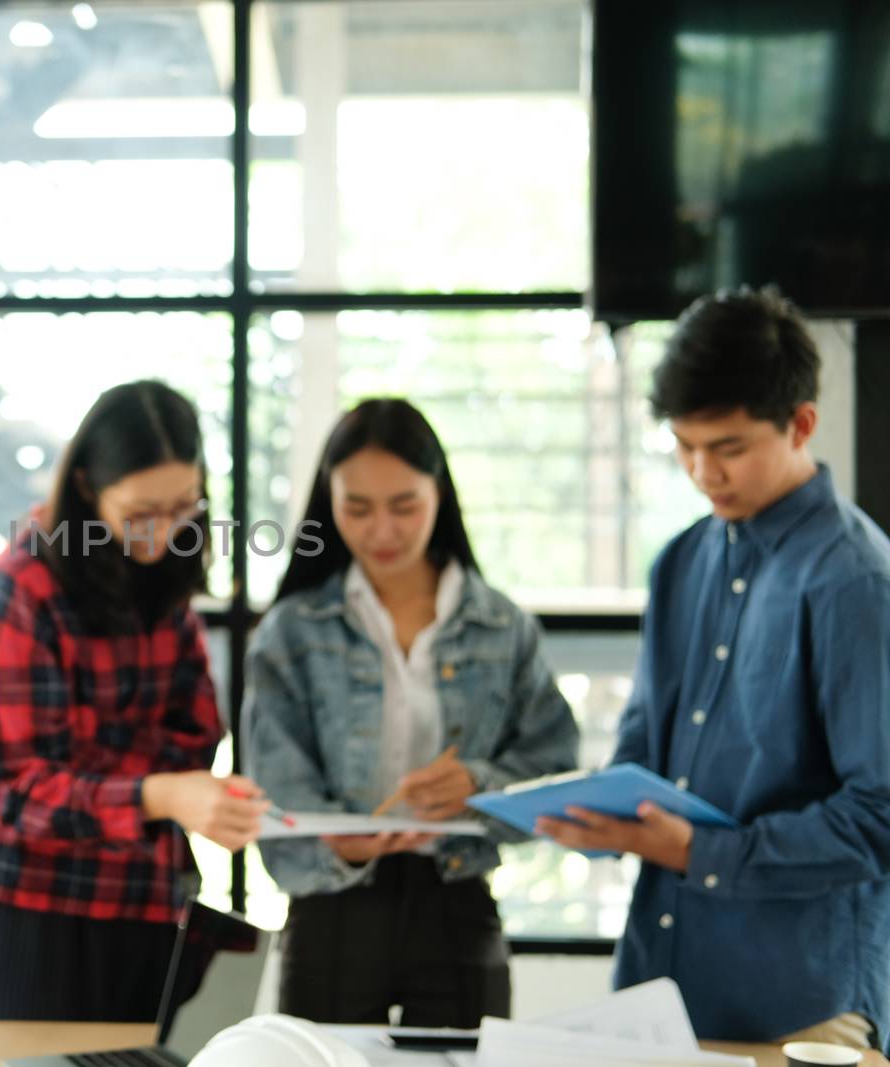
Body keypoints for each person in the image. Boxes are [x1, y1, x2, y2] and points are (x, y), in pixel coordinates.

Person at [537, 287, 890, 1052]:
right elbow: (644, 748)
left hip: (802, 1009)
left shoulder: (855, 580)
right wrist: (599, 817)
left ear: (801, 424)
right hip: (660, 998)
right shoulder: (681, 563)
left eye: (727, 448)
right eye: (684, 445)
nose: (702, 471)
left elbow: (881, 814)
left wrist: (700, 852)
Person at [244, 398, 578, 1027]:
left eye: (405, 505)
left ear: (439, 495)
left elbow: (554, 768)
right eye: (357, 508)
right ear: (327, 502)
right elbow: (272, 786)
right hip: (331, 906)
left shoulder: (502, 626)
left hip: (456, 900)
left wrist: (479, 784)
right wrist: (341, 842)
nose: (383, 532)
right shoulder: (291, 631)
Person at [0, 380, 267, 1021]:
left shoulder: (166, 569)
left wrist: (96, 757)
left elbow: (200, 731)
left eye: (185, 506)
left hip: (150, 893)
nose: (167, 529)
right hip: (37, 903)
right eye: (144, 512)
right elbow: (23, 791)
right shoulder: (23, 584)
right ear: (90, 486)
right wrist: (161, 791)